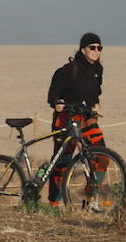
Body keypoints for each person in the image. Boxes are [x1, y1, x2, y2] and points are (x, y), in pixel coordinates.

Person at [46, 32, 109, 208]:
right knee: (62, 161)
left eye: (99, 48)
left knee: (102, 156)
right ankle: (54, 204)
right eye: (92, 48)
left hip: (87, 117)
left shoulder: (98, 70)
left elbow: (95, 94)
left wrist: (96, 105)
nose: (96, 51)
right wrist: (57, 103)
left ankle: (92, 200)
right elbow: (52, 95)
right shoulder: (67, 70)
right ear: (83, 49)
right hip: (66, 118)